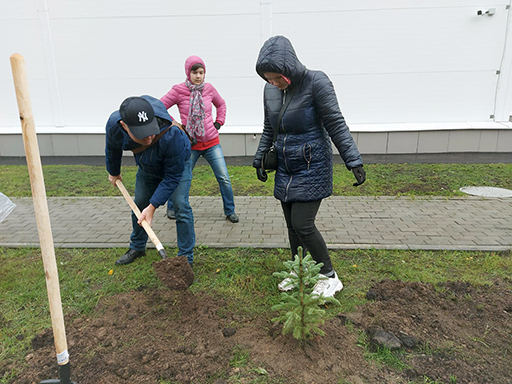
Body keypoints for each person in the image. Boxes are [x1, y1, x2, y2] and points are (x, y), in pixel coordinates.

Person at [253, 35, 366, 298]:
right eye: (269, 79)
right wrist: (259, 158)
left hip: (311, 164)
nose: (274, 83)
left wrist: (353, 160)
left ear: (289, 68)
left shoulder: (316, 82)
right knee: (292, 225)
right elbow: (269, 128)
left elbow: (335, 123)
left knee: (303, 223)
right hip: (285, 166)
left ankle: (329, 275)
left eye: (277, 77)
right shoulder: (270, 90)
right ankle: (299, 269)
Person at [105, 95, 195, 267]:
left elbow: (172, 177)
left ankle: (186, 257)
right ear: (124, 126)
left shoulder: (173, 135)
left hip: (177, 167)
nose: (149, 138)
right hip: (147, 167)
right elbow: (112, 147)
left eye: (150, 130)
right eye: (142, 134)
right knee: (139, 204)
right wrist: (114, 172)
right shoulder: (114, 125)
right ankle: (137, 247)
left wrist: (153, 207)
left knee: (180, 205)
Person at [160, 55, 239, 223]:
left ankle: (230, 210)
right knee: (180, 177)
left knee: (223, 177)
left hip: (211, 143)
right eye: (194, 72)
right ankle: (172, 208)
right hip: (189, 144)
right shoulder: (178, 90)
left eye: (201, 72)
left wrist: (219, 122)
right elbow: (160, 107)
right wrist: (175, 124)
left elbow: (221, 104)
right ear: (188, 73)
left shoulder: (209, 89)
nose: (198, 76)